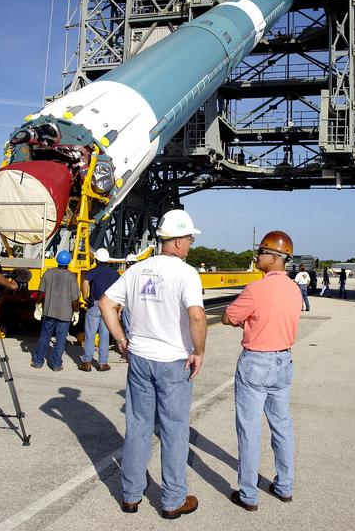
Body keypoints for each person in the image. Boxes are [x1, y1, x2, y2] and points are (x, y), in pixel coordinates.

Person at [99, 209, 207, 518]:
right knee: (174, 431)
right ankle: (173, 500)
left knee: (138, 427)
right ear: (175, 241)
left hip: (140, 360)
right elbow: (197, 315)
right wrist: (198, 351)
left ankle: (131, 495)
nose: (190, 244)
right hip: (173, 362)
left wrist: (121, 339)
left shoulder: (137, 270)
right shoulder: (186, 272)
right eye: (188, 238)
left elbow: (106, 304)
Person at [221, 230, 302, 510]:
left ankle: (248, 494)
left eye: (262, 252)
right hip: (283, 362)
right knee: (282, 425)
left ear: (274, 258)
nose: (257, 256)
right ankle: (284, 486)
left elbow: (228, 316)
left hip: (256, 363)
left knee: (249, 429)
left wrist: (246, 322)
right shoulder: (294, 289)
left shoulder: (256, 289)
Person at [31, 251, 79, 371]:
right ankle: (56, 364)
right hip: (65, 314)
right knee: (61, 339)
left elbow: (41, 293)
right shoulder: (71, 277)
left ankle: (37, 361)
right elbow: (75, 299)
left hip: (49, 311)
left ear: (57, 260)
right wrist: (76, 311)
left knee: (45, 336)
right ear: (68, 262)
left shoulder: (48, 273)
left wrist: (38, 305)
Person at [78, 248, 120, 372]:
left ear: (96, 259)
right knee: (105, 335)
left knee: (90, 334)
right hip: (109, 306)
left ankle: (87, 362)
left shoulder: (93, 271)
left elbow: (85, 282)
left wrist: (86, 297)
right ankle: (103, 363)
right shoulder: (114, 273)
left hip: (95, 304)